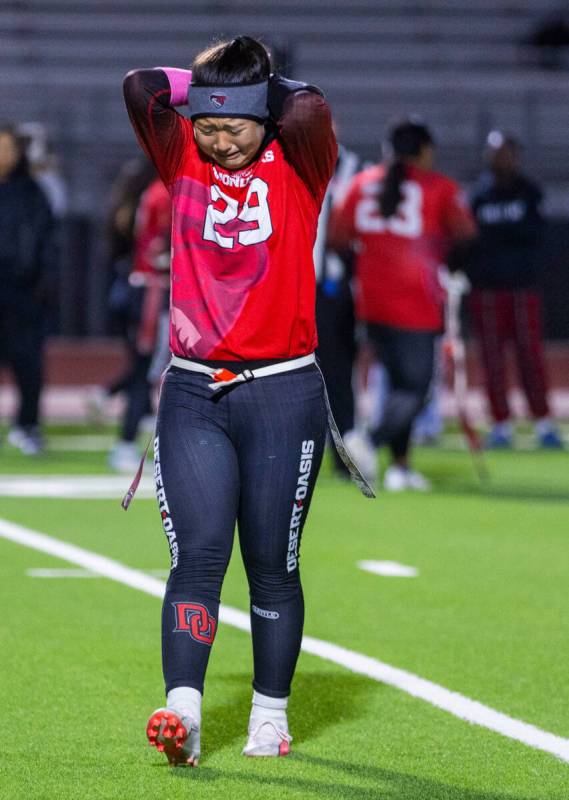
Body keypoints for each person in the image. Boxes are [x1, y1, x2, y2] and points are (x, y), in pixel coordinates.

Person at [123, 36, 337, 764]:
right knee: (199, 555)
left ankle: (268, 718)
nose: (217, 141)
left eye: (234, 126)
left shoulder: (301, 162)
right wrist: (216, 91)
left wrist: (254, 90)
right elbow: (141, 82)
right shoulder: (179, 154)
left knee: (272, 565)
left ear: (262, 117)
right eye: (205, 125)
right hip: (193, 390)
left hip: (283, 392)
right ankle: (183, 708)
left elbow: (306, 107)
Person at [329, 119, 476, 491]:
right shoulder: (437, 187)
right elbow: (466, 236)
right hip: (415, 300)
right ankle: (368, 442)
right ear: (424, 151)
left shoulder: (361, 184)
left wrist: (362, 270)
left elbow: (337, 239)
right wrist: (450, 267)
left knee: (398, 386)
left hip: (372, 300)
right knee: (416, 389)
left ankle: (400, 467)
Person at [467, 131, 562, 449]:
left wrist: (503, 241)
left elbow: (536, 236)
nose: (499, 158)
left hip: (522, 287)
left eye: (505, 152)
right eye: (494, 153)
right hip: (488, 290)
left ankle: (543, 420)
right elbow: (473, 241)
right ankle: (500, 423)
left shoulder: (529, 192)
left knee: (530, 355)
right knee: (492, 357)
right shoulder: (479, 196)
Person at [108, 175, 171, 471]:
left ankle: (127, 436)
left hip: (147, 288)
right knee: (147, 371)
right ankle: (126, 442)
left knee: (147, 369)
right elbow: (158, 251)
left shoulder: (153, 192)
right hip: (154, 292)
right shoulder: (164, 194)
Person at [0, 124, 56, 455]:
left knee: (28, 362)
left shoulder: (32, 192)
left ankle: (28, 426)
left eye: (8, 148)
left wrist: (40, 283)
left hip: (22, 292)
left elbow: (48, 241)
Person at [314, 142, 363, 478]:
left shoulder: (353, 170)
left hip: (331, 290)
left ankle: (344, 453)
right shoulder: (278, 159)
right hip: (286, 287)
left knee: (336, 375)